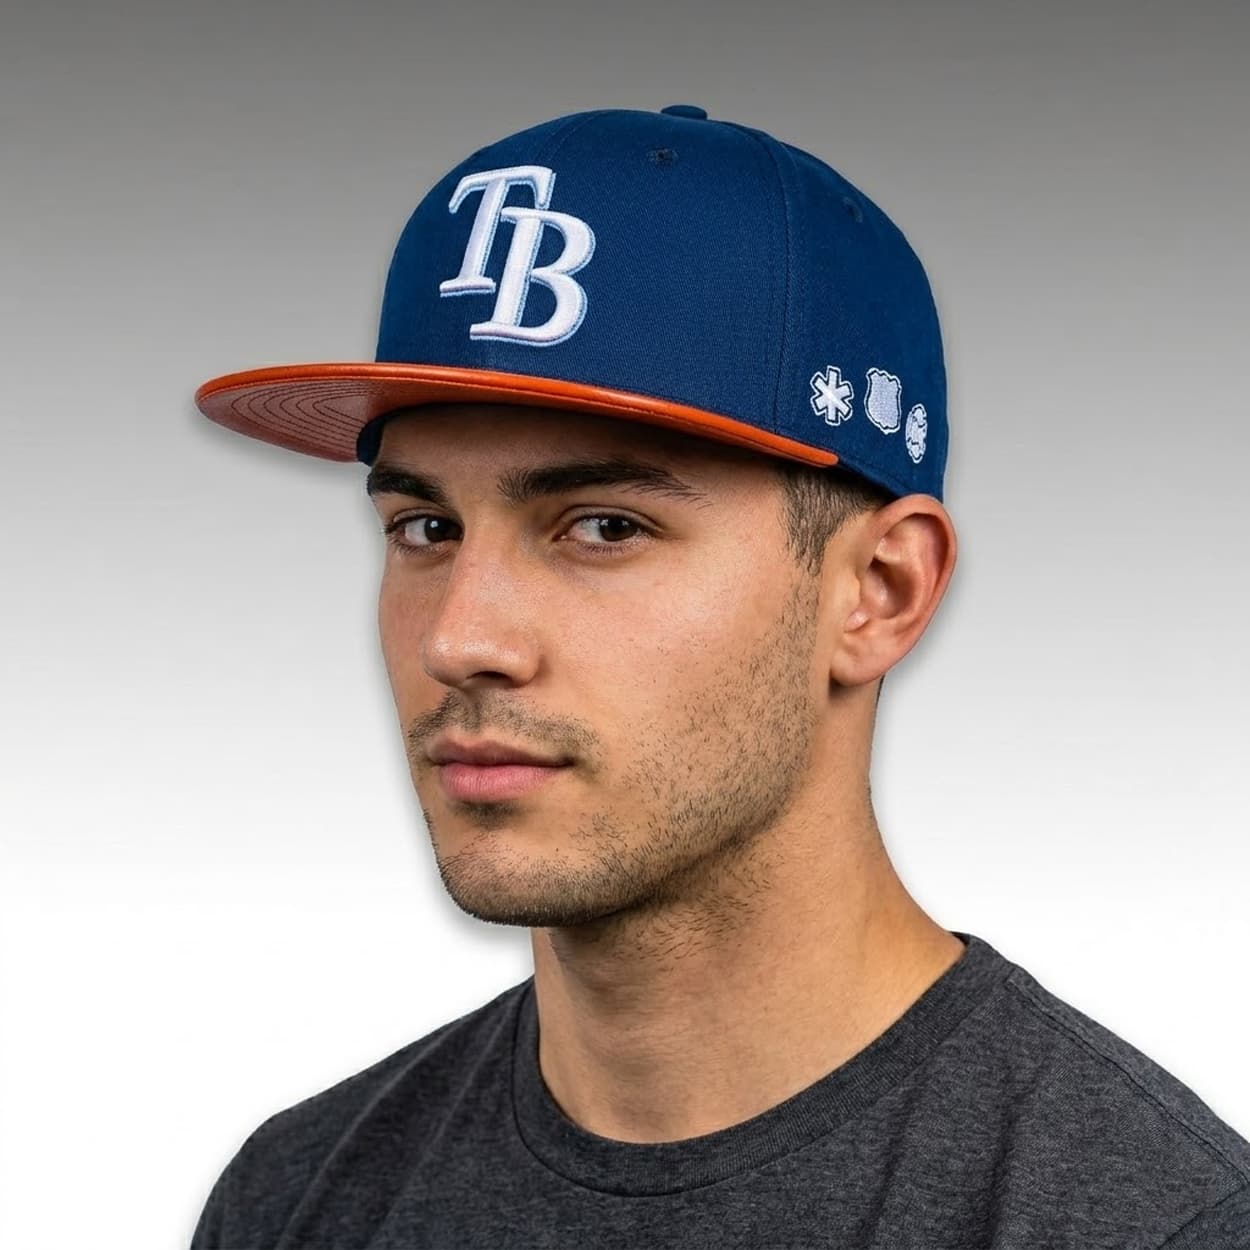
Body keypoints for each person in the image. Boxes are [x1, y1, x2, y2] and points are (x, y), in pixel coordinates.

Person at [188, 104, 1250, 1249]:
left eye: (602, 525)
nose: (459, 638)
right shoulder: (296, 1198)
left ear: (879, 590)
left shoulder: (1151, 1222)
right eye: (424, 527)